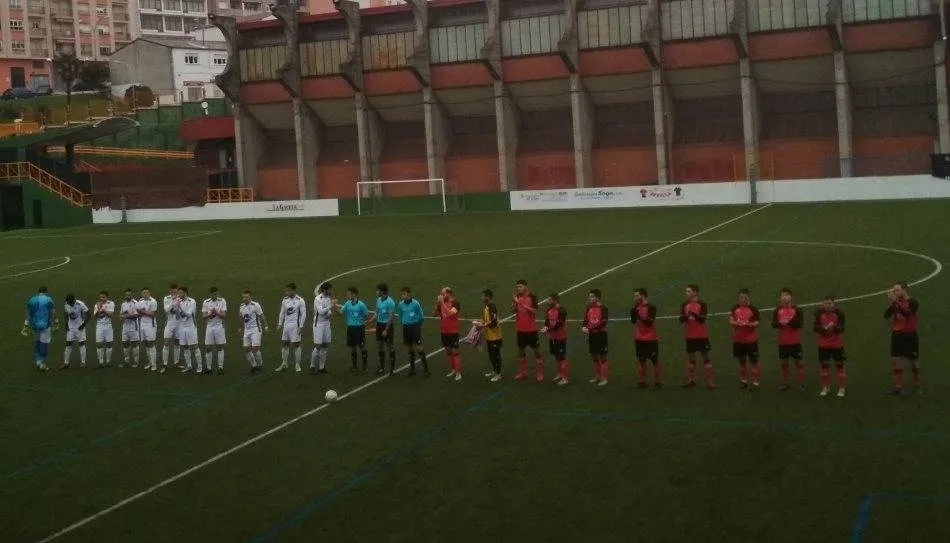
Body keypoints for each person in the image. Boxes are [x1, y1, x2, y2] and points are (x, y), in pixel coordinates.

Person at [885, 282, 920, 395]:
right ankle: (898, 386)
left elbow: (907, 314)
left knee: (913, 361)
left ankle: (916, 384)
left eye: (897, 290)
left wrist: (895, 302)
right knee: (896, 361)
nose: (895, 292)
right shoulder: (896, 303)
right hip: (897, 334)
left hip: (909, 335)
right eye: (894, 290)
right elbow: (886, 315)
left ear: (905, 290)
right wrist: (893, 303)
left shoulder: (912, 302)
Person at [679, 284, 714, 389]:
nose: (686, 293)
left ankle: (709, 381)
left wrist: (693, 314)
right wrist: (686, 316)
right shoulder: (684, 304)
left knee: (706, 358)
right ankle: (691, 380)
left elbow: (702, 319)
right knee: (691, 359)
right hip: (689, 336)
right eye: (686, 291)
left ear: (695, 293)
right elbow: (680, 319)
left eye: (689, 291)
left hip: (701, 336)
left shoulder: (702, 304)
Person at [771, 288, 805, 391]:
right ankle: (785, 383)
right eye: (782, 295)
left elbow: (800, 324)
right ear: (780, 298)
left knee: (799, 363)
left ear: (791, 297)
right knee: (784, 364)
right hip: (783, 342)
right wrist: (779, 324)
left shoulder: (797, 310)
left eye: (786, 295)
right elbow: (773, 323)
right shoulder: (777, 310)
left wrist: (789, 322)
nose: (784, 297)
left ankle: (801, 384)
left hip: (795, 341)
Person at [814, 295, 847, 398]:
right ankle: (825, 387)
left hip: (837, 345)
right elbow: (815, 328)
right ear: (822, 304)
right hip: (823, 345)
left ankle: (842, 388)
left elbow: (841, 327)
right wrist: (824, 329)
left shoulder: (839, 314)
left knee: (839, 367)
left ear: (834, 303)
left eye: (830, 303)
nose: (828, 305)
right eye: (826, 303)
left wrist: (833, 328)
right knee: (824, 367)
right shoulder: (818, 314)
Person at [729, 288, 761, 390]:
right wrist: (736, 323)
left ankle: (755, 382)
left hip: (751, 341)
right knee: (741, 361)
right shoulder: (734, 308)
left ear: (748, 298)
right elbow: (731, 320)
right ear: (738, 298)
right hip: (738, 340)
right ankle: (743, 381)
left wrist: (749, 324)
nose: (743, 300)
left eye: (745, 298)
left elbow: (757, 323)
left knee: (754, 362)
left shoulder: (753, 309)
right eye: (741, 298)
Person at [512, 279, 544, 380]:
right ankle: (523, 372)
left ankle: (539, 372)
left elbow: (534, 310)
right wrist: (514, 304)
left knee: (536, 351)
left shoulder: (532, 297)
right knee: (521, 351)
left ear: (526, 287)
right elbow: (513, 311)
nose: (518, 289)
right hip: (520, 329)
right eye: (517, 287)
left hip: (531, 330)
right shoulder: (517, 297)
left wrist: (521, 304)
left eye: (520, 287)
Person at [337, 287, 372, 373]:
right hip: (351, 328)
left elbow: (367, 316)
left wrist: (364, 322)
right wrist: (334, 306)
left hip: (359, 328)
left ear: (354, 294)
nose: (347, 295)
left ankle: (365, 366)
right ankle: (354, 366)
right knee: (352, 347)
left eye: (349, 294)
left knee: (362, 346)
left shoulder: (361, 305)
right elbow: (341, 312)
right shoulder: (347, 304)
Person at [631, 288, 661, 389]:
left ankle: (657, 382)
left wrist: (639, 315)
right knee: (641, 361)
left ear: (643, 296)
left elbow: (649, 323)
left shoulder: (651, 307)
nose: (635, 298)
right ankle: (642, 381)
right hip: (639, 338)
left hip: (651, 338)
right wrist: (633, 313)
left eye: (637, 296)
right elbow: (633, 321)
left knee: (654, 361)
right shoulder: (636, 307)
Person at [396, 286, 429, 377]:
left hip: (415, 326)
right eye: (402, 294)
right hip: (406, 327)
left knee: (419, 348)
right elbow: (400, 315)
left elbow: (421, 316)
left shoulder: (415, 304)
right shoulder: (400, 304)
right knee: (410, 348)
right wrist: (404, 323)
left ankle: (426, 369)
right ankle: (412, 369)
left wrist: (417, 326)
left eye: (404, 294)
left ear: (409, 294)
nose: (403, 296)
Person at [24, 286, 57, 371]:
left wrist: (26, 324)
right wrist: (55, 322)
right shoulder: (48, 299)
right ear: (46, 291)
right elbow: (53, 312)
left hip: (34, 324)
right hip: (45, 324)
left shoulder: (31, 299)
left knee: (37, 341)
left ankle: (38, 361)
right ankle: (42, 363)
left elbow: (28, 313)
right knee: (44, 343)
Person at [276, 282, 307, 373]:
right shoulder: (285, 300)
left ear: (294, 290)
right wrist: (280, 323)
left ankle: (297, 364)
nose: (287, 292)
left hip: (295, 326)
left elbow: (303, 314)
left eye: (288, 291)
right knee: (284, 344)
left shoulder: (300, 300)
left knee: (296, 345)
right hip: (286, 325)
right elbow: (282, 312)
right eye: (286, 291)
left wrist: (301, 326)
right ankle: (284, 363)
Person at [582, 289, 609, 386]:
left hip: (600, 334)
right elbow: (585, 319)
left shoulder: (603, 308)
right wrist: (583, 326)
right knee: (594, 355)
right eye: (589, 296)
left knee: (602, 356)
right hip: (592, 334)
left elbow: (603, 323)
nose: (590, 298)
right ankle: (598, 376)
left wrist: (590, 329)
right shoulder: (588, 307)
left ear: (598, 298)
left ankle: (604, 378)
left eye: (592, 296)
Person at [540, 293, 568, 385]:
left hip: (561, 337)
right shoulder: (549, 310)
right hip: (553, 337)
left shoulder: (562, 311)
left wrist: (548, 329)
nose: (548, 301)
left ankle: (565, 378)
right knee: (556, 356)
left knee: (562, 356)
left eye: (550, 300)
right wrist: (545, 327)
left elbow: (558, 325)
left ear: (555, 300)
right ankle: (560, 374)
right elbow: (547, 321)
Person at [435, 287, 462, 381]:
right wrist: (437, 304)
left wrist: (442, 303)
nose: (441, 296)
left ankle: (458, 372)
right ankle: (453, 370)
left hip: (453, 332)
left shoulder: (455, 303)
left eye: (443, 294)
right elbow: (435, 314)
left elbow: (450, 313)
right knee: (448, 352)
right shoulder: (441, 303)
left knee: (455, 352)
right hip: (444, 332)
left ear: (449, 294)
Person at [476, 289, 503, 382]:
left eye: (483, 296)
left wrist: (483, 325)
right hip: (489, 335)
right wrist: (479, 323)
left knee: (495, 355)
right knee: (491, 354)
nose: (481, 298)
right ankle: (495, 371)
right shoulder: (486, 306)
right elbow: (485, 319)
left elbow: (494, 322)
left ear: (487, 297)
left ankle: (498, 374)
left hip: (495, 336)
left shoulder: (492, 307)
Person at [239, 290, 268, 373]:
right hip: (247, 330)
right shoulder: (241, 306)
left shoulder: (255, 305)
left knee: (255, 349)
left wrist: (266, 326)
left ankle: (260, 365)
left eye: (246, 297)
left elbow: (262, 316)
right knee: (246, 349)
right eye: (243, 297)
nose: (245, 298)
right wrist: (240, 327)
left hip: (256, 329)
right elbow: (241, 317)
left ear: (250, 297)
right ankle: (254, 366)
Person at [177, 286, 204, 374]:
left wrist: (179, 307)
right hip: (182, 327)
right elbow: (178, 317)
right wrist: (176, 309)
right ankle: (189, 365)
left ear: (185, 293)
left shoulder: (192, 301)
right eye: (178, 293)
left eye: (180, 292)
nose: (179, 294)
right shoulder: (179, 302)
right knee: (185, 347)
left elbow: (189, 314)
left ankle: (199, 366)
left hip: (191, 327)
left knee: (195, 346)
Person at [373, 283, 397, 376]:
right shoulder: (378, 300)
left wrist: (386, 330)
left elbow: (391, 317)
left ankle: (392, 369)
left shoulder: (390, 302)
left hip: (387, 326)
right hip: (379, 325)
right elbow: (376, 313)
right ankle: (382, 367)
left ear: (382, 291)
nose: (376, 292)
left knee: (389, 346)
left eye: (378, 290)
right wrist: (368, 321)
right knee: (380, 346)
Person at [202, 287, 228, 374]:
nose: (215, 295)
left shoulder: (222, 301)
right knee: (208, 347)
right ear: (210, 294)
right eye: (213, 294)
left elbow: (224, 315)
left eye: (216, 294)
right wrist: (210, 314)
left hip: (218, 327)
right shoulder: (206, 302)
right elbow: (204, 317)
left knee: (220, 347)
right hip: (209, 327)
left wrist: (216, 312)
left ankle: (220, 367)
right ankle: (209, 368)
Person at [311, 282, 334, 374]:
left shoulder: (328, 298)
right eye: (329, 289)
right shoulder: (318, 299)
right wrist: (330, 306)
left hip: (326, 324)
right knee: (318, 346)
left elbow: (328, 312)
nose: (331, 291)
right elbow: (320, 311)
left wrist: (329, 314)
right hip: (318, 325)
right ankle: (312, 366)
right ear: (325, 290)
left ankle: (321, 367)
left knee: (325, 346)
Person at [62, 294, 89, 369]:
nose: (69, 304)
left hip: (79, 327)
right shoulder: (66, 304)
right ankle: (66, 363)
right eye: (68, 302)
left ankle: (83, 362)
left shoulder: (80, 304)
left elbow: (88, 314)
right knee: (68, 344)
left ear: (74, 300)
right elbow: (65, 314)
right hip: (71, 328)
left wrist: (83, 325)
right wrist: (66, 324)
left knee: (81, 344)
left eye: (70, 302)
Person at [137, 287, 159, 372]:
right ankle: (150, 362)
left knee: (151, 343)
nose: (145, 294)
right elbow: (138, 312)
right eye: (143, 293)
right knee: (146, 343)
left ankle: (154, 364)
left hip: (151, 325)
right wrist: (143, 312)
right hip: (142, 324)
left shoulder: (153, 301)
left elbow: (153, 314)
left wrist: (143, 311)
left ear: (149, 293)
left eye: (146, 292)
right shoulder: (140, 301)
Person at [119, 288, 141, 368]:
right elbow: (121, 314)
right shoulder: (123, 304)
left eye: (129, 294)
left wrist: (127, 316)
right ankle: (126, 361)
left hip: (133, 327)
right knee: (125, 344)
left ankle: (136, 361)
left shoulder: (136, 303)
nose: (128, 296)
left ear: (132, 295)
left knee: (134, 344)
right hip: (125, 327)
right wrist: (121, 316)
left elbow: (137, 315)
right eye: (126, 294)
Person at [162, 284, 181, 371]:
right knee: (166, 342)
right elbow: (166, 310)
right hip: (169, 323)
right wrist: (173, 302)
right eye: (172, 292)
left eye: (175, 292)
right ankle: (165, 363)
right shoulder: (167, 298)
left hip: (179, 323)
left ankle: (176, 362)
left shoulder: (181, 298)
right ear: (170, 292)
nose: (174, 293)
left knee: (177, 343)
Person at [93, 291, 115, 369]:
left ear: (107, 297)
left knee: (109, 343)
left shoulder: (111, 303)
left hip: (108, 326)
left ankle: (108, 361)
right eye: (100, 297)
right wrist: (99, 308)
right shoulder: (97, 305)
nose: (101, 298)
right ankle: (101, 362)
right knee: (99, 344)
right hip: (99, 326)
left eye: (103, 297)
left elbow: (111, 315)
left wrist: (104, 310)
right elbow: (95, 316)